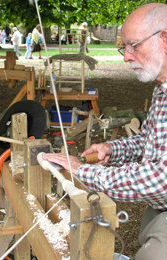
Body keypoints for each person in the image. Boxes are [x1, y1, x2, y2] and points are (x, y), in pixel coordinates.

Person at [43, 3, 167, 260]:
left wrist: (83, 170)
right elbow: (150, 140)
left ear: (165, 39)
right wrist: (113, 149)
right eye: (124, 47)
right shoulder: (162, 88)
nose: (126, 56)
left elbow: (161, 179)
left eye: (134, 45)